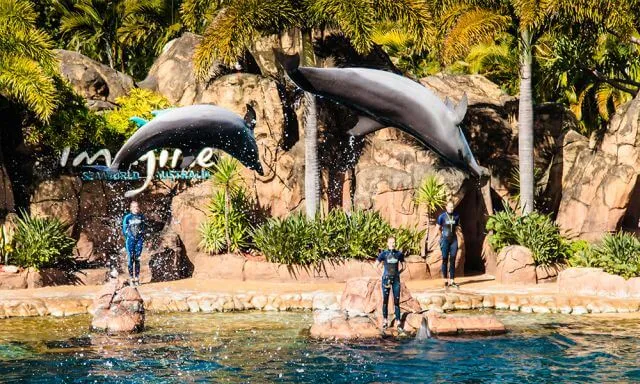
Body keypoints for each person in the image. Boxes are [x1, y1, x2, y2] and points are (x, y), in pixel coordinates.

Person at [374, 236, 405, 332]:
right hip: (386, 279)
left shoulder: (399, 254)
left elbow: (404, 265)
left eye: (394, 242)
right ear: (387, 244)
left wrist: (399, 273)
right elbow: (375, 266)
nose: (392, 244)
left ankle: (398, 322)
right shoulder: (383, 254)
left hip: (396, 279)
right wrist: (382, 275)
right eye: (390, 242)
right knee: (385, 301)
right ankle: (385, 321)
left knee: (396, 301)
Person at [437, 201, 460, 288]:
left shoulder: (456, 216)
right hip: (445, 240)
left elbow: (457, 228)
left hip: (453, 240)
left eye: (452, 207)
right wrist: (441, 238)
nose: (451, 208)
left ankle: (452, 280)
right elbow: (438, 228)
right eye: (449, 207)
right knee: (445, 259)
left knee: (453, 259)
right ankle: (445, 280)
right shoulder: (442, 217)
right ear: (446, 207)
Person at [122, 201, 145, 286]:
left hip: (139, 240)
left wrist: (142, 237)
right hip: (130, 240)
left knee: (137, 258)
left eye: (137, 207)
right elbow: (124, 229)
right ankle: (131, 278)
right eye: (134, 207)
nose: (136, 208)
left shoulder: (141, 217)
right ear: (131, 208)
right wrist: (128, 236)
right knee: (130, 258)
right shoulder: (127, 217)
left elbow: (143, 228)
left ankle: (137, 278)